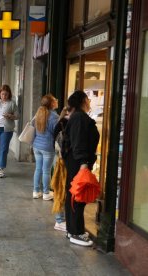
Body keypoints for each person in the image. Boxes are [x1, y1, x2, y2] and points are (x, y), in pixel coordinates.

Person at [64, 90, 99, 247]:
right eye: (88, 99)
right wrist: (83, 164)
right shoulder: (79, 117)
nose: (89, 101)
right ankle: (75, 232)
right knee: (78, 196)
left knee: (75, 195)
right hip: (78, 163)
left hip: (77, 162)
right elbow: (79, 142)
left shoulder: (77, 117)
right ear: (83, 100)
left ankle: (73, 230)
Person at [32, 94, 59, 200]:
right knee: (46, 170)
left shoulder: (38, 113)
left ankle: (36, 191)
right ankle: (46, 193)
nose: (57, 101)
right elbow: (55, 132)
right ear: (52, 103)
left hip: (36, 146)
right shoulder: (54, 117)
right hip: (47, 147)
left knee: (38, 168)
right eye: (55, 100)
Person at [0, 84, 19, 178]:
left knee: (4, 148)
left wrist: (10, 116)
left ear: (9, 94)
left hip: (6, 129)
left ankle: (1, 168)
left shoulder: (12, 103)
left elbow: (17, 115)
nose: (4, 96)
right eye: (2, 94)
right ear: (0, 94)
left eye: (6, 94)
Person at [51, 106, 70, 232]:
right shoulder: (67, 123)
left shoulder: (60, 123)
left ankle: (60, 218)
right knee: (62, 189)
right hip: (63, 160)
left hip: (58, 158)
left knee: (60, 188)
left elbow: (53, 139)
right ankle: (60, 220)